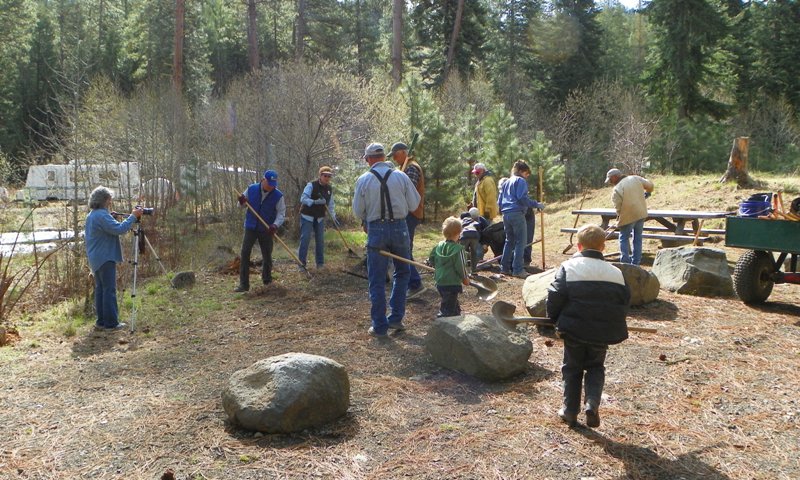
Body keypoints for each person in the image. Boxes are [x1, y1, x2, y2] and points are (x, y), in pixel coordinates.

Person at [546, 224, 631, 428]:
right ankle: (592, 403)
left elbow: (555, 295)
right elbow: (625, 301)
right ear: (603, 247)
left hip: (574, 328)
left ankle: (569, 410)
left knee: (572, 368)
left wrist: (554, 320)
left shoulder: (569, 268)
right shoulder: (615, 272)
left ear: (578, 246)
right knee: (595, 367)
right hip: (603, 331)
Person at [353, 143, 421, 337]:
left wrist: (370, 215)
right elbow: (414, 203)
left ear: (369, 159)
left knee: (376, 279)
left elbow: (358, 210)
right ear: (383, 157)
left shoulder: (364, 180)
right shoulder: (401, 176)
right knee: (402, 273)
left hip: (376, 230)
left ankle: (380, 326)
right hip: (400, 227)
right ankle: (396, 318)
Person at [85, 186, 144, 330]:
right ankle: (111, 323)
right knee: (109, 290)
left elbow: (109, 228)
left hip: (96, 257)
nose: (111, 201)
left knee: (101, 290)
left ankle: (101, 322)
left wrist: (113, 218)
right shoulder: (101, 215)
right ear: (105, 200)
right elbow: (119, 229)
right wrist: (133, 216)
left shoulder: (93, 214)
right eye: (109, 199)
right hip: (105, 257)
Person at [235, 169, 286, 292]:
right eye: (269, 184)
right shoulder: (251, 189)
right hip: (251, 226)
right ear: (263, 180)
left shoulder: (278, 195)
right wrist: (241, 202)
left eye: (273, 185)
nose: (271, 187)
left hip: (267, 229)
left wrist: (275, 225)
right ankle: (244, 284)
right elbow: (240, 206)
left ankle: (267, 281)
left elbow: (281, 213)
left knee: (267, 255)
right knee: (245, 252)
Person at [389, 141, 426, 298]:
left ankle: (415, 283)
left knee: (405, 249)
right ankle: (410, 281)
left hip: (411, 212)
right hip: (406, 212)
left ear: (403, 153)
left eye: (396, 155)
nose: (395, 159)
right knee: (404, 249)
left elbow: (406, 191)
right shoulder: (404, 168)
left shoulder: (412, 168)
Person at [497, 161, 544, 278]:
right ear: (522, 172)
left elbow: (499, 201)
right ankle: (517, 269)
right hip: (517, 213)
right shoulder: (520, 181)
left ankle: (504, 268)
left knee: (509, 241)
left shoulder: (506, 182)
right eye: (527, 174)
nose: (527, 177)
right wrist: (536, 204)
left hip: (506, 213)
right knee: (520, 242)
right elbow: (522, 198)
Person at [605, 168, 654, 265]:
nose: (610, 182)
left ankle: (625, 263)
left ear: (615, 177)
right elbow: (650, 185)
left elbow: (618, 207)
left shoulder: (617, 189)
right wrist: (647, 193)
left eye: (610, 179)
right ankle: (636, 263)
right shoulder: (635, 178)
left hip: (628, 216)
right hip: (641, 213)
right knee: (637, 238)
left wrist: (619, 217)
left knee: (623, 238)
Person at [428, 216, 470, 317]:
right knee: (447, 309)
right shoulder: (458, 249)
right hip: (452, 283)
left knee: (452, 304)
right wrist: (465, 278)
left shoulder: (438, 246)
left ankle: (456, 315)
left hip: (440, 282)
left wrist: (439, 268)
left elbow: (431, 259)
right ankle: (444, 323)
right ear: (459, 233)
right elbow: (461, 267)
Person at [297, 166, 336, 270]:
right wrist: (314, 202)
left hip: (320, 217)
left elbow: (331, 204)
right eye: (325, 176)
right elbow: (303, 198)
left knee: (320, 240)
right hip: (307, 216)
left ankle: (320, 264)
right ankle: (301, 264)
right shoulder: (311, 185)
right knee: (305, 239)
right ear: (320, 176)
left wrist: (333, 217)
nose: (327, 178)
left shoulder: (329, 189)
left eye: (329, 176)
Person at [459, 207, 488, 274]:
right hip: (475, 235)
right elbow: (480, 230)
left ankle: (462, 271)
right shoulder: (474, 221)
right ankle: (474, 270)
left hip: (465, 235)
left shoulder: (461, 221)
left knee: (462, 253)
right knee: (474, 253)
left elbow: (458, 232)